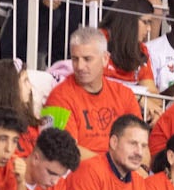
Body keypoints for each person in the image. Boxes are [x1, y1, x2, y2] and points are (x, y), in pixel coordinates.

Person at [45, 27, 143, 158]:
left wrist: (142, 168)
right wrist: (113, 168)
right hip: (81, 173)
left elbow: (141, 143)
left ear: (105, 59)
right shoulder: (57, 96)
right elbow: (63, 150)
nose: (79, 66)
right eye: (75, 59)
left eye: (87, 59)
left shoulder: (125, 94)